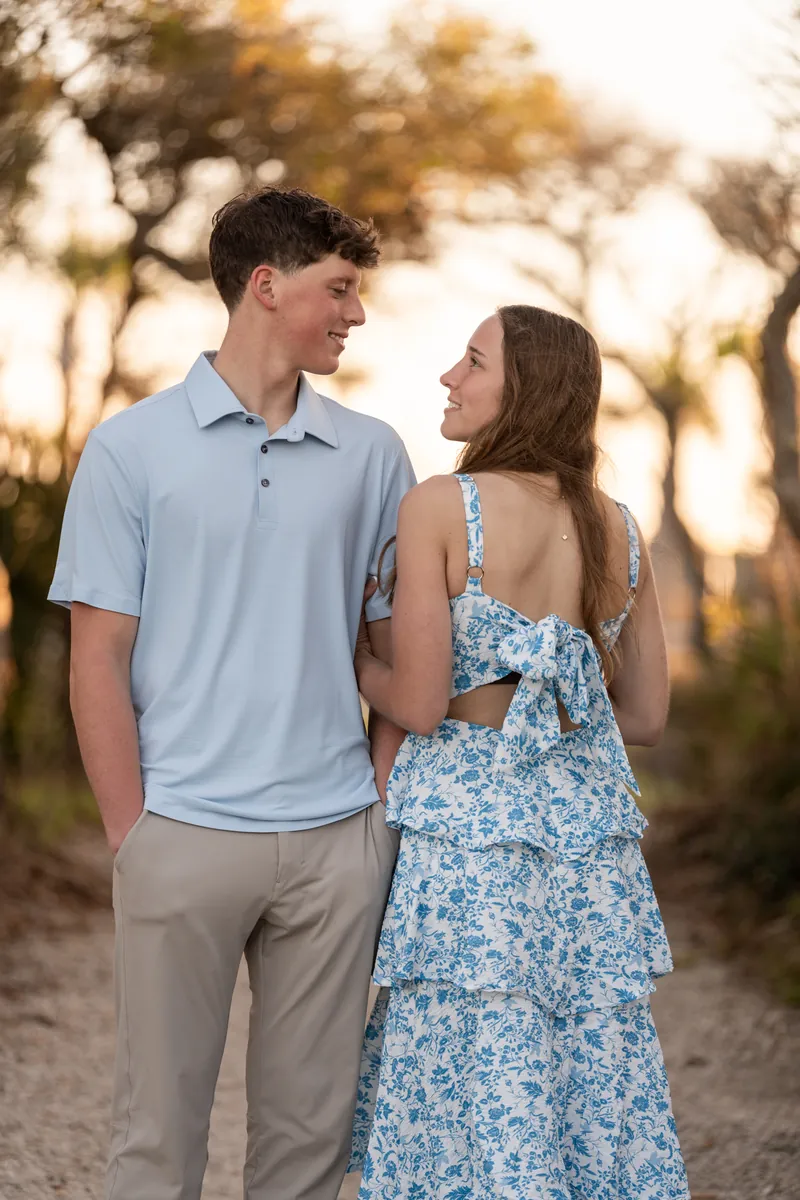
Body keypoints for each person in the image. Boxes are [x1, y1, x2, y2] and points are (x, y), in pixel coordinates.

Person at [48, 187, 414, 1200]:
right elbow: (96, 657)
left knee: (309, 1146)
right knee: (155, 1138)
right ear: (266, 285)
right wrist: (134, 832)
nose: (355, 313)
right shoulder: (130, 449)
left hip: (336, 839)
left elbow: (390, 651)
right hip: (181, 832)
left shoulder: (374, 455)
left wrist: (377, 808)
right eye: (338, 289)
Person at [348, 305, 689, 1199]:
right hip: (584, 827)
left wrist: (358, 662)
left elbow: (421, 703)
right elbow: (645, 714)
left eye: (472, 361)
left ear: (524, 389)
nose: (449, 378)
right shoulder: (621, 527)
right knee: (585, 1051)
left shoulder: (441, 505)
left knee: (469, 1049)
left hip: (472, 826)